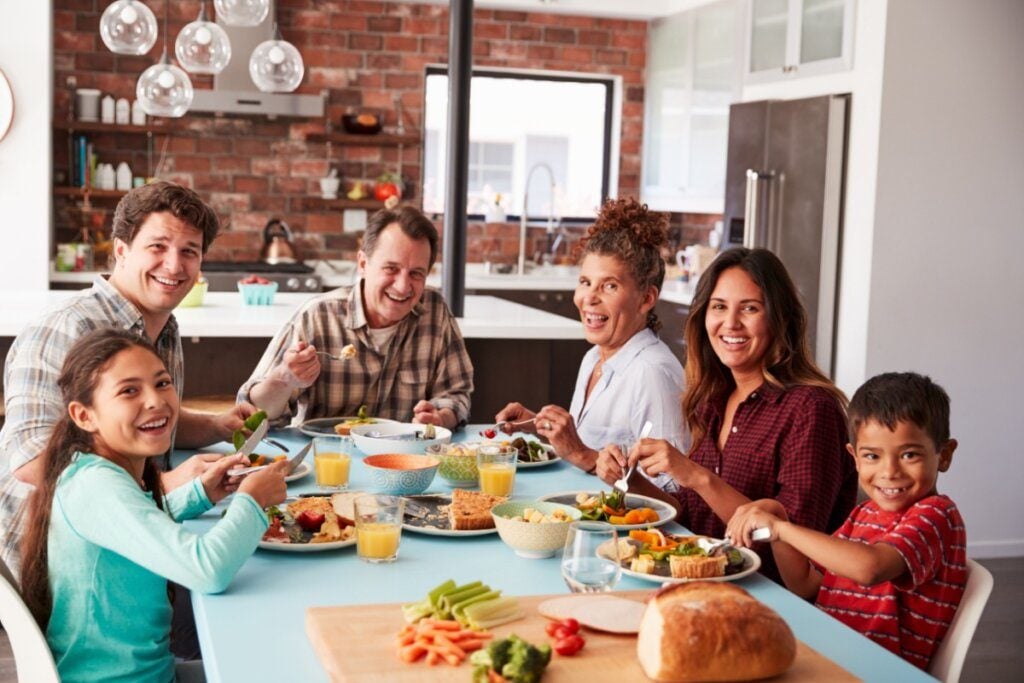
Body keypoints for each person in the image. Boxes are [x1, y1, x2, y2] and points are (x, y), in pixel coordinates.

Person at [0, 181, 258, 579]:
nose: (174, 266)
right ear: (121, 250)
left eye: (189, 251)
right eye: (157, 247)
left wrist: (216, 425)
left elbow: (134, 423)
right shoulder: (64, 328)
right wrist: (161, 485)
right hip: (60, 565)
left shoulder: (162, 327)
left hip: (127, 533)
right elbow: (30, 458)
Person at [19, 329, 287, 683]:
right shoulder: (96, 485)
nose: (156, 401)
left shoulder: (93, 470)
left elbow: (135, 528)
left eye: (162, 383)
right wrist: (253, 498)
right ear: (84, 416)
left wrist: (201, 494)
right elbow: (207, 570)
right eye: (129, 390)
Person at [598, 247, 857, 582]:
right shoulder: (713, 399)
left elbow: (795, 551)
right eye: (719, 307)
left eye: (750, 308)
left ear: (780, 319)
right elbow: (694, 516)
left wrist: (696, 475)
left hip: (772, 599)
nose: (730, 323)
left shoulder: (812, 409)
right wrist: (631, 480)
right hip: (706, 580)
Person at [726, 372, 966, 670]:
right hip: (830, 652)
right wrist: (778, 524)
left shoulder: (936, 515)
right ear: (854, 457)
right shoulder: (862, 513)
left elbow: (870, 568)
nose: (889, 471)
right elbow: (806, 584)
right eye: (872, 456)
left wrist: (783, 529)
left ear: (944, 455)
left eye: (909, 455)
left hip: (874, 670)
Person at [495, 198, 685, 477]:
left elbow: (673, 490)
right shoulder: (594, 357)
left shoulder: (653, 373)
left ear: (646, 299)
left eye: (610, 286)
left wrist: (580, 454)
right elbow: (591, 451)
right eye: (585, 283)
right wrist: (539, 425)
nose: (589, 299)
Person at [240, 205, 473, 431]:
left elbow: (455, 395)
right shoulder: (317, 316)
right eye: (391, 269)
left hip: (405, 462)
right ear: (363, 264)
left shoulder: (435, 311)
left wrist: (440, 418)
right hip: (328, 460)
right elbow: (254, 413)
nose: (403, 287)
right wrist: (284, 378)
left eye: (416, 273)